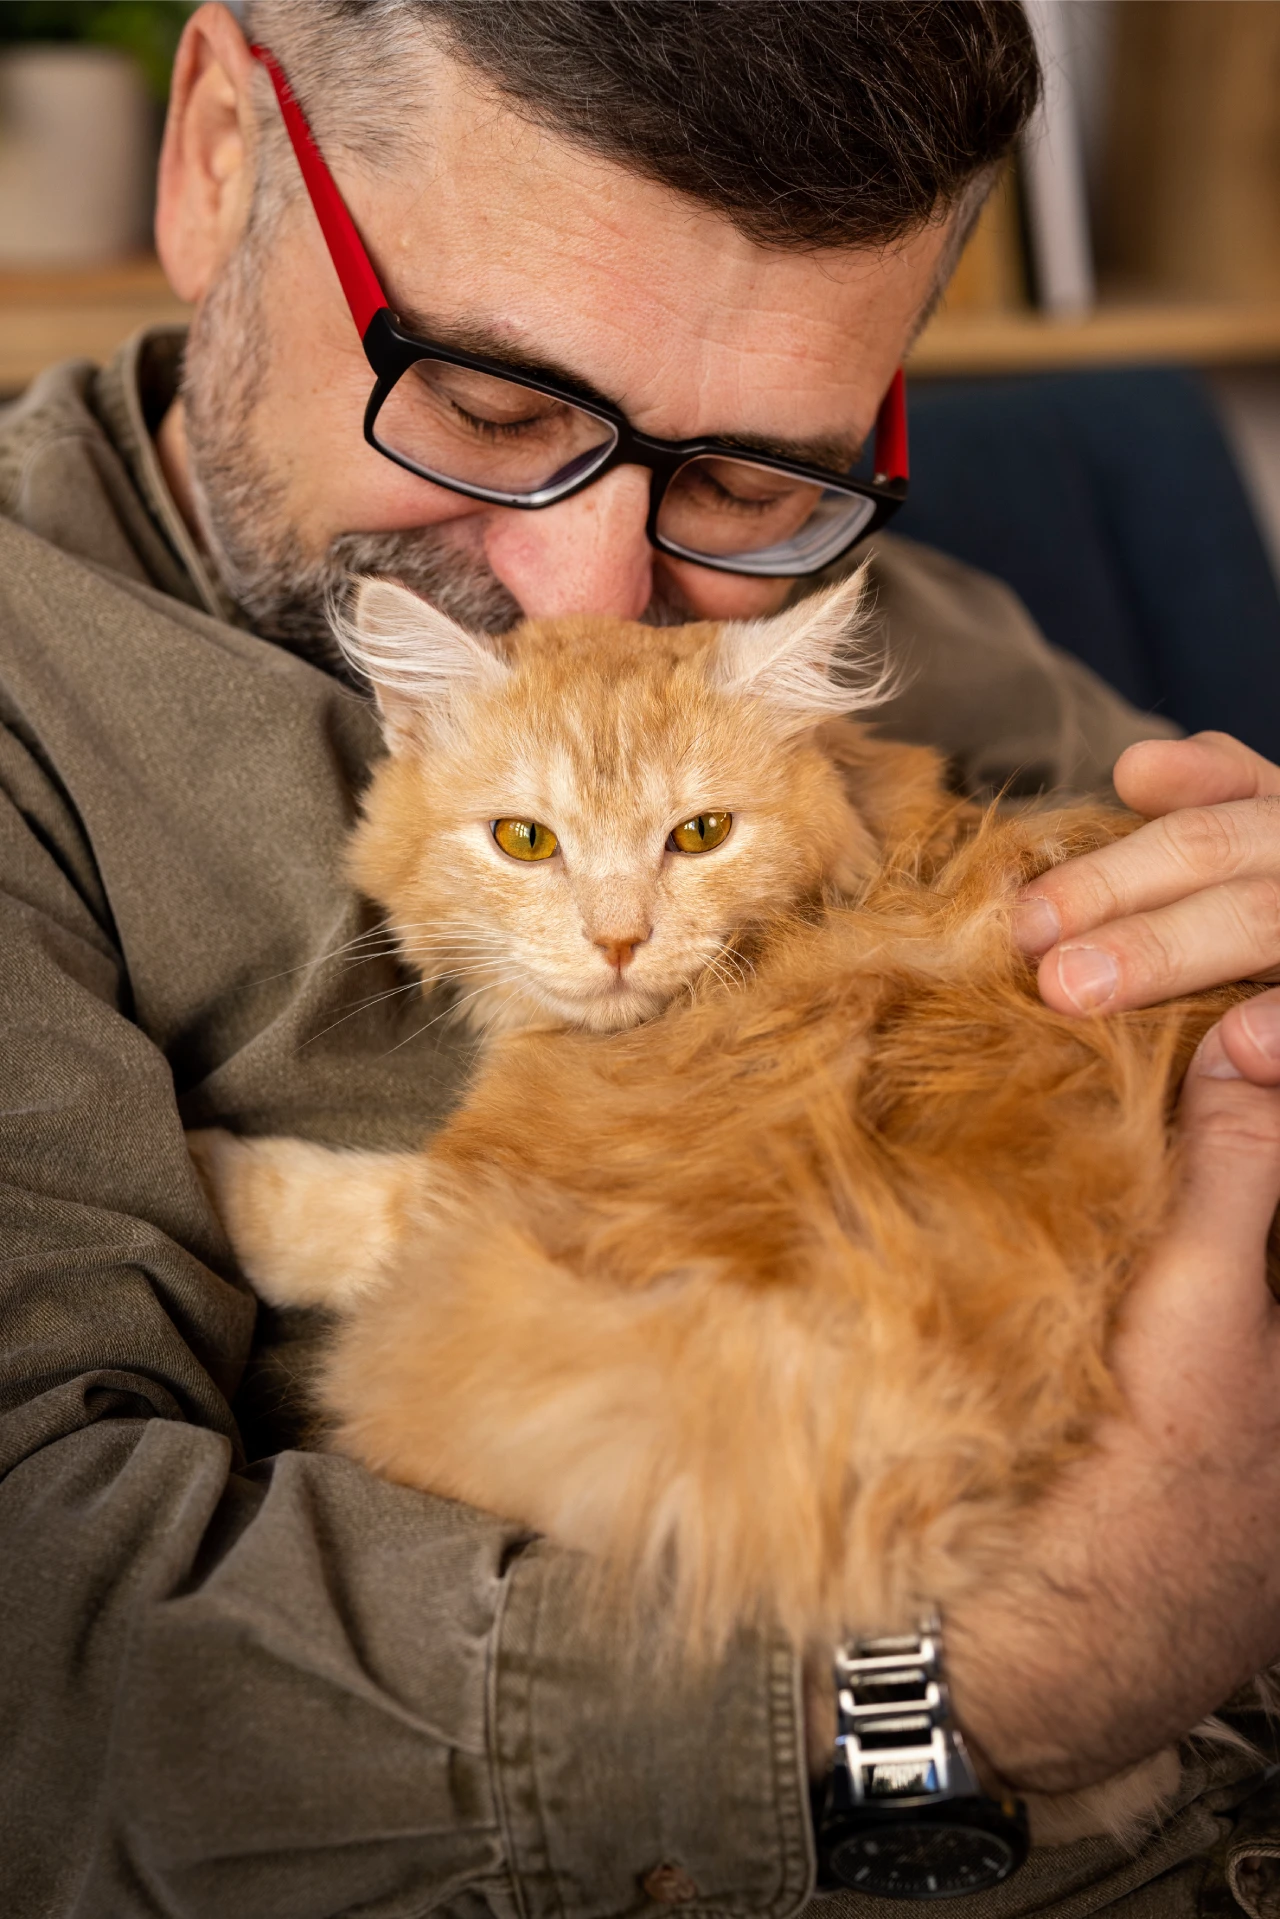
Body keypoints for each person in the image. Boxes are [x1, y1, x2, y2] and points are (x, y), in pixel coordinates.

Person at [2, 3, 1279, 1914]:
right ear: (218, 160)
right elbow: (58, 1666)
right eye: (493, 406)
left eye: (757, 477)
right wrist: (992, 1679)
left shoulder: (909, 618)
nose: (594, 593)